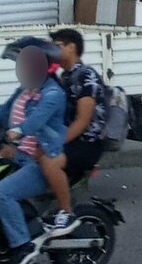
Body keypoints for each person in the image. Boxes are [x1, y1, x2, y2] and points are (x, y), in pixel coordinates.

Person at [0, 45, 68, 264]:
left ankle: (23, 246)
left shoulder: (52, 94)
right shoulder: (24, 90)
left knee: (1, 193)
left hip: (39, 160)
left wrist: (17, 131)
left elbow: (36, 121)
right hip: (17, 156)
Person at [43, 28, 108, 228]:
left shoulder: (85, 75)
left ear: (72, 48)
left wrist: (57, 142)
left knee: (50, 162)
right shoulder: (65, 76)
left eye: (58, 46)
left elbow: (82, 120)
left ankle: (66, 212)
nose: (53, 50)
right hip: (73, 137)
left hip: (88, 141)